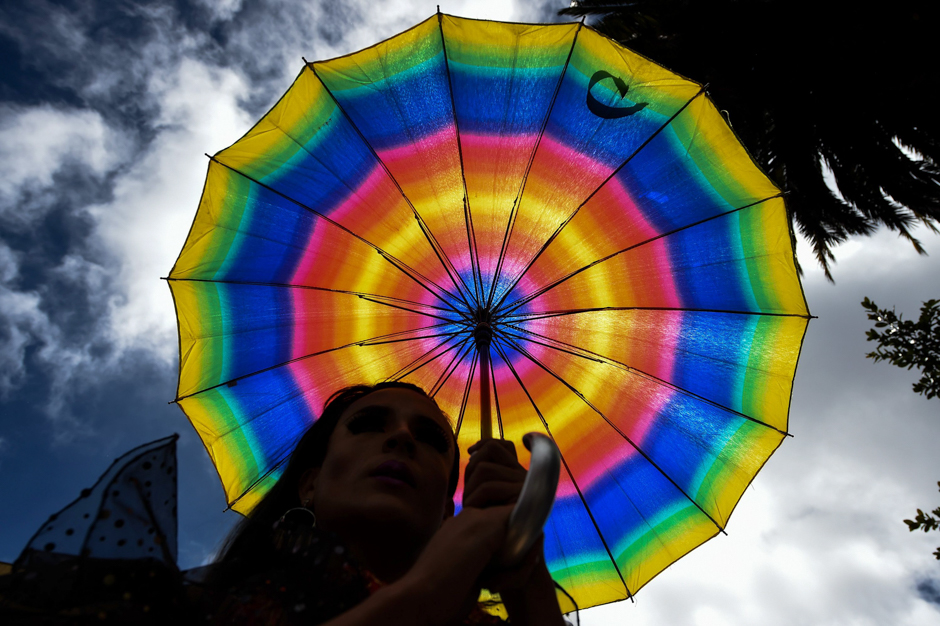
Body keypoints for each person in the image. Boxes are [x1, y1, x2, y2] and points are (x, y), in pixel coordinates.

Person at [205, 381, 567, 625]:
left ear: (445, 511)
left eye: (430, 438)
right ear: (310, 483)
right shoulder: (208, 602)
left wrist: (529, 578)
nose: (402, 437)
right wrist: (424, 595)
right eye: (368, 425)